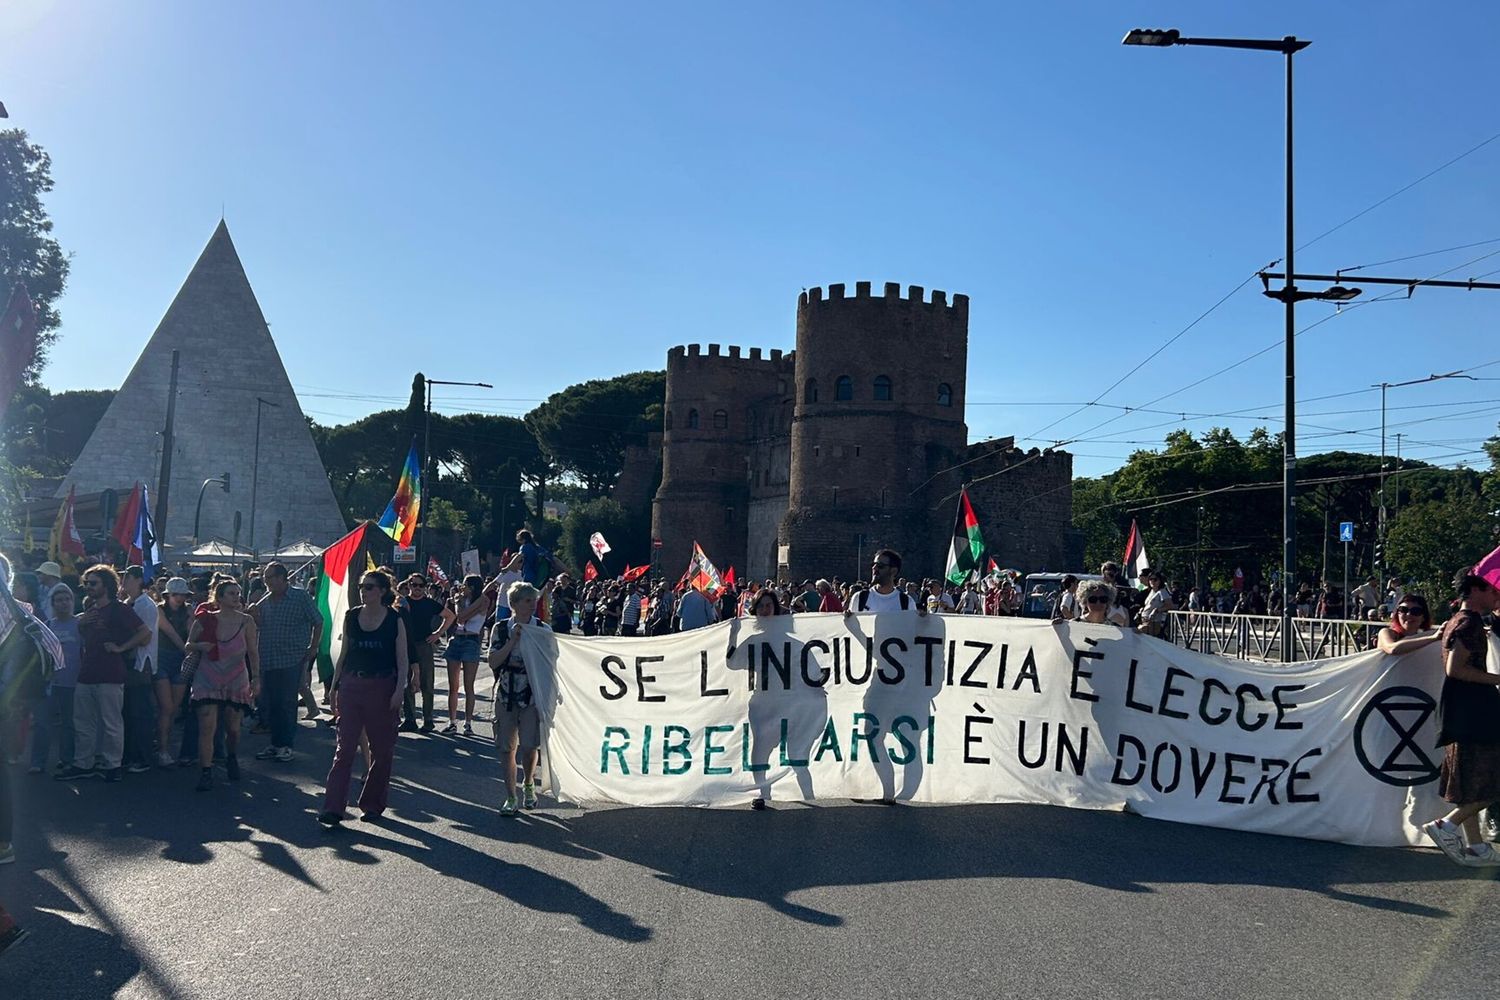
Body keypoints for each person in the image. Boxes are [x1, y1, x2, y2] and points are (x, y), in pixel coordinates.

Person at [1420, 570, 1500, 866]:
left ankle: (1477, 847)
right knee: (1492, 780)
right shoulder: (1469, 623)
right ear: (1476, 589)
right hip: (1476, 711)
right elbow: (1456, 669)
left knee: (1470, 782)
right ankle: (1447, 826)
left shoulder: (1458, 619)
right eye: (1493, 590)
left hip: (1462, 711)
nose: (1497, 595)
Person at [319, 571, 408, 826]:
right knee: (344, 748)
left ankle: (372, 804)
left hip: (382, 686)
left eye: (369, 587)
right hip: (352, 685)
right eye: (361, 586)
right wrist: (333, 688)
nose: (363, 591)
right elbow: (344, 653)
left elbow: (402, 660)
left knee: (382, 750)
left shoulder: (394, 619)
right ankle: (333, 807)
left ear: (381, 591)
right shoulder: (351, 616)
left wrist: (399, 690)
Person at [57, 565, 150, 783]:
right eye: (87, 583)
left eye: (93, 583)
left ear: (106, 585)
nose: (88, 587)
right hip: (87, 672)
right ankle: (84, 762)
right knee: (83, 722)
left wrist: (121, 647)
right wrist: (82, 626)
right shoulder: (90, 607)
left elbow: (145, 633)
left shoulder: (120, 609)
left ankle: (113, 765)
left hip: (110, 673)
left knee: (111, 722)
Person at [185, 578, 259, 791]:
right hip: (208, 676)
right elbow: (188, 646)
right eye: (231, 593)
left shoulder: (247, 622)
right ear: (219, 598)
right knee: (207, 725)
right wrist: (200, 645)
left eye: (238, 593)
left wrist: (256, 678)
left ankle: (231, 756)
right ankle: (206, 771)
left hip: (236, 676)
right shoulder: (205, 620)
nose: (236, 597)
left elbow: (253, 652)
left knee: (233, 728)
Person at [250, 561, 323, 761]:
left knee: (286, 702)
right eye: (265, 577)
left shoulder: (299, 597)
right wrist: (254, 616)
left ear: (282, 578)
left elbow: (318, 620)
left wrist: (313, 646)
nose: (267, 581)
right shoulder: (264, 601)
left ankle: (286, 744)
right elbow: (260, 626)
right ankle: (275, 743)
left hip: (292, 657)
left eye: (271, 577)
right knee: (270, 703)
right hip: (268, 657)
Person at [488, 581, 549, 816]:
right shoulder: (501, 629)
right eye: (527, 601)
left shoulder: (542, 629)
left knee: (529, 746)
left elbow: (550, 663)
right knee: (506, 748)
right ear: (514, 604)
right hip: (505, 694)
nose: (533, 605)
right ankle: (511, 796)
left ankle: (529, 783)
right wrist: (512, 641)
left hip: (531, 696)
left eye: (534, 600)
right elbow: (493, 661)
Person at [31, 585, 81, 773]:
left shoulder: (79, 625)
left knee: (69, 723)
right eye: (59, 600)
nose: (64, 603)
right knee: (42, 723)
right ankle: (38, 761)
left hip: (72, 681)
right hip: (50, 683)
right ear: (53, 603)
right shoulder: (48, 626)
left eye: (67, 599)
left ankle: (67, 759)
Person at [118, 566, 160, 774]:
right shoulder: (127, 603)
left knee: (141, 712)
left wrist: (122, 646)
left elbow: (146, 636)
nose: (123, 580)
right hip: (127, 664)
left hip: (141, 663)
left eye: (127, 577)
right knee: (127, 711)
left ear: (138, 580)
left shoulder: (146, 605)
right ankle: (130, 753)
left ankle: (143, 756)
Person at [151, 577, 193, 767]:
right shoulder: (159, 610)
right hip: (163, 659)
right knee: (166, 707)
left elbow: (191, 631)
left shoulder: (188, 611)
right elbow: (170, 633)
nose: (179, 598)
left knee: (173, 709)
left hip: (180, 661)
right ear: (168, 595)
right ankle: (162, 749)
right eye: (176, 594)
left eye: (182, 594)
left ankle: (162, 745)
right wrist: (188, 649)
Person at [396, 574, 446, 733]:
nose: (417, 588)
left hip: (424, 644)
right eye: (414, 585)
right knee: (407, 682)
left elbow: (450, 616)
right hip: (406, 644)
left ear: (425, 587)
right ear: (409, 586)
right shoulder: (403, 603)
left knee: (427, 683)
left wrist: (437, 634)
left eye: (421, 585)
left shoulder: (429, 603)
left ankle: (428, 720)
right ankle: (410, 719)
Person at [442, 575, 487, 735]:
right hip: (457, 639)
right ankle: (452, 722)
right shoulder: (460, 599)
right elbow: (460, 617)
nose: (462, 587)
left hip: (471, 640)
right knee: (453, 685)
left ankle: (468, 723)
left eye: (466, 585)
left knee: (469, 685)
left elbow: (464, 615)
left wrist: (465, 607)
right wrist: (460, 601)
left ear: (473, 587)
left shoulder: (484, 600)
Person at [847, 551, 927, 615]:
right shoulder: (860, 598)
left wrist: (923, 621)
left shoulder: (906, 602)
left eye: (880, 566)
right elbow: (853, 630)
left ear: (893, 571)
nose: (874, 568)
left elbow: (911, 630)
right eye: (873, 565)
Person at [1137, 570, 1174, 638]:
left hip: (1153, 622)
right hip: (1144, 620)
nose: (1152, 581)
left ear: (1160, 581)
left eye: (1155, 579)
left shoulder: (1162, 591)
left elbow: (1170, 605)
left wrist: (1157, 610)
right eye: (1151, 579)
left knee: (1138, 633)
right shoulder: (1151, 591)